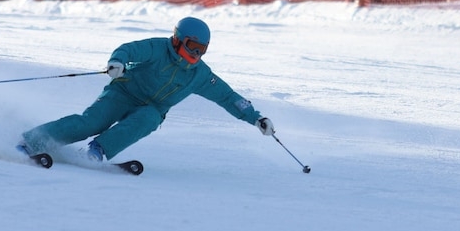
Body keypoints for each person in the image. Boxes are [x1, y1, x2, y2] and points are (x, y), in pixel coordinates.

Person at [19, 16, 274, 162]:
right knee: (90, 123)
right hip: (122, 93)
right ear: (177, 39)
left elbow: (228, 97)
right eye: (191, 46)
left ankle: (98, 151)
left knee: (151, 118)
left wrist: (256, 118)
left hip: (150, 108)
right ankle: (31, 142)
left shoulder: (199, 74)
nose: (195, 53)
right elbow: (129, 49)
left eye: (201, 50)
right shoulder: (158, 47)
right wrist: (117, 62)